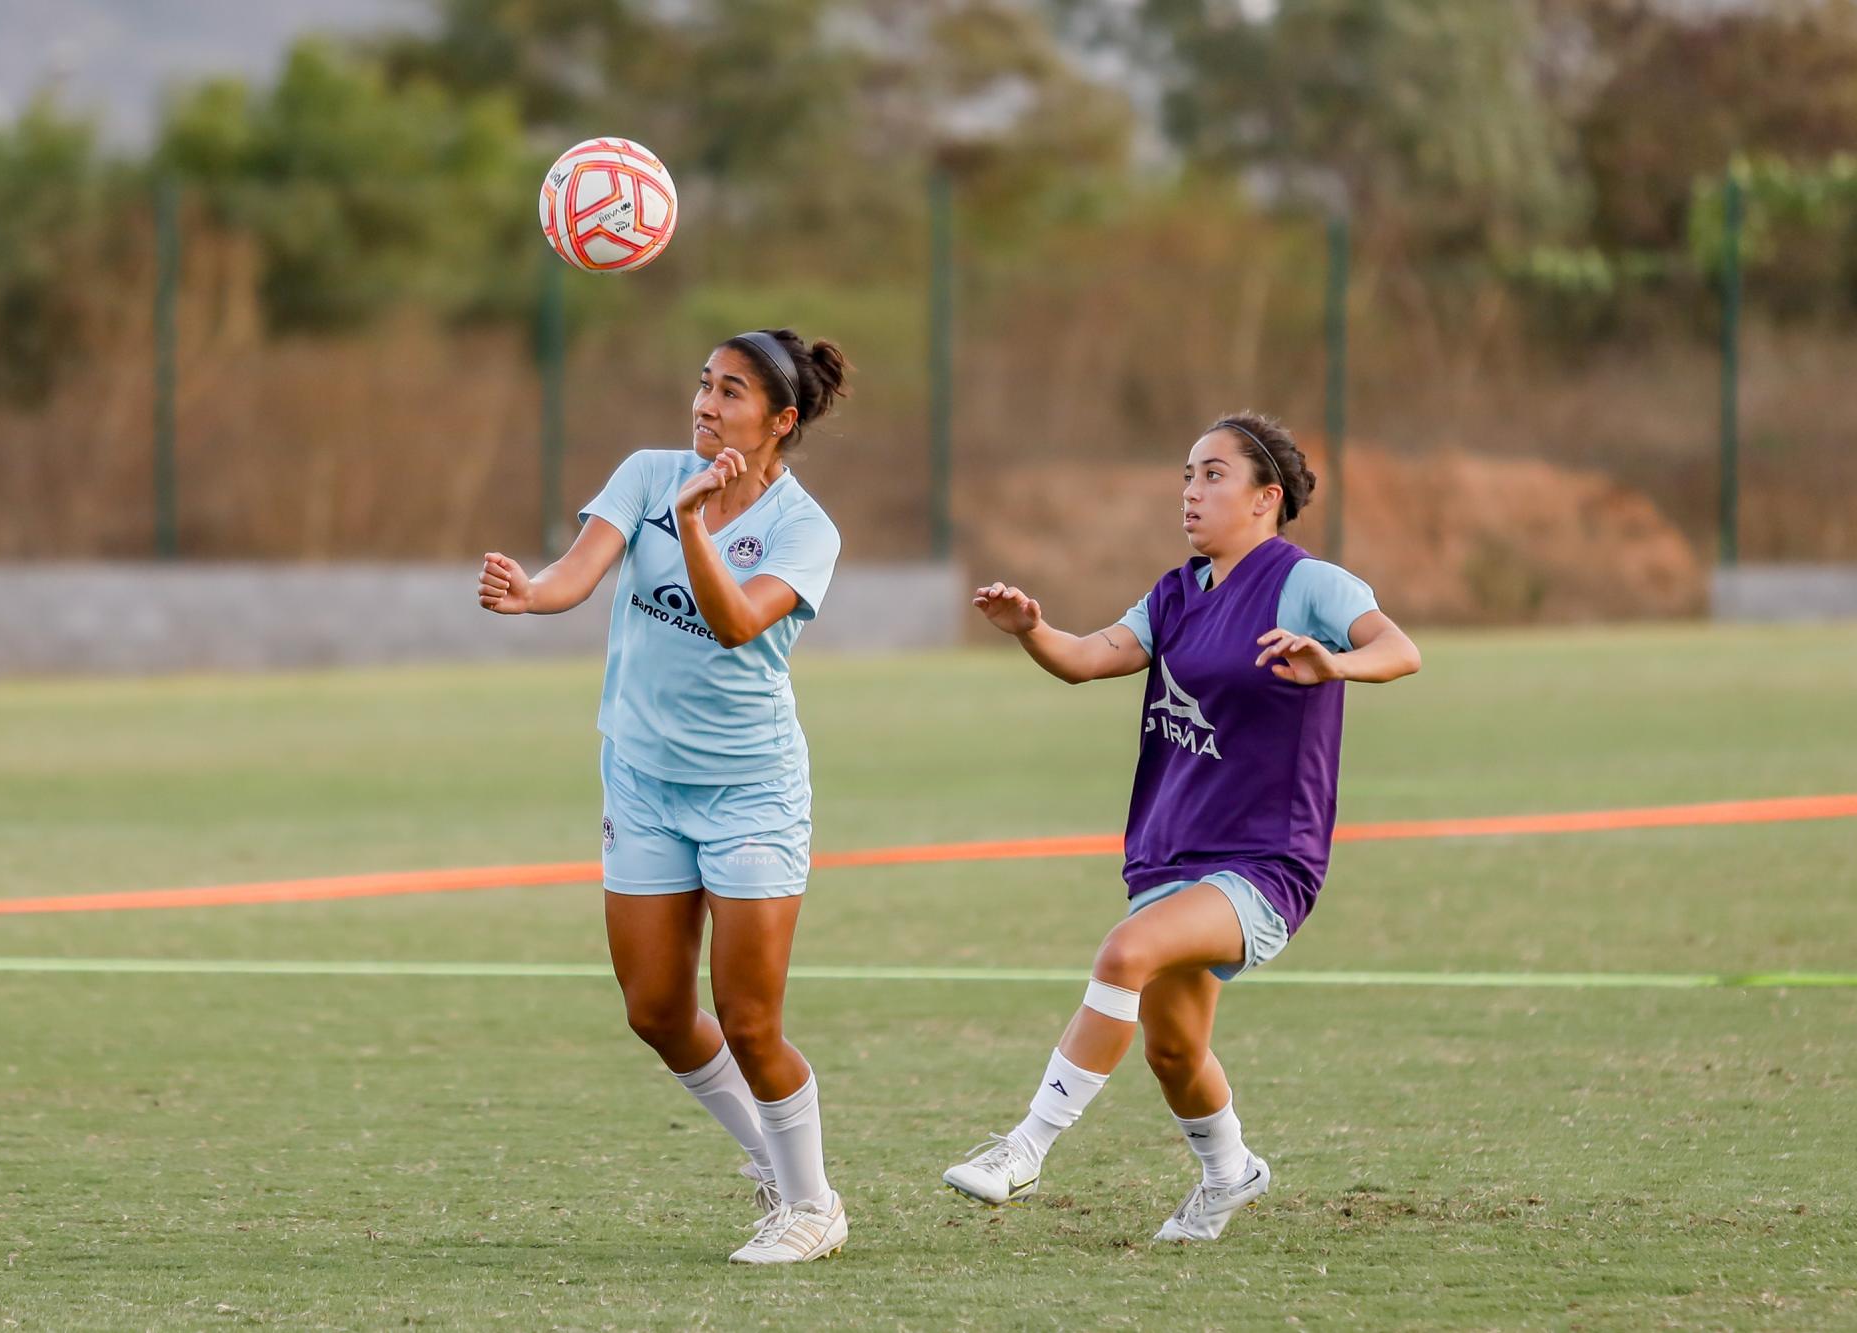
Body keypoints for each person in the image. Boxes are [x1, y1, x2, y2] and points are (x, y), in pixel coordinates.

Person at [941, 412, 1421, 1242]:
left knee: (1123, 954)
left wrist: (1334, 661)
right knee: (1174, 1050)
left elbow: (1400, 648)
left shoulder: (1309, 583)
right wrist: (1032, 633)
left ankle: (1024, 1148)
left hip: (1266, 859)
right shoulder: (1176, 592)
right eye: (1187, 476)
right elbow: (1090, 656)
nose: (1191, 493)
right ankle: (1231, 1173)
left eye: (1212, 476)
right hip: (1169, 854)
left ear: (1266, 497)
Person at [478, 328, 850, 1263]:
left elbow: (733, 622)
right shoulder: (650, 472)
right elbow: (577, 573)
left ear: (780, 420)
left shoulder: (807, 529)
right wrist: (531, 593)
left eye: (730, 393)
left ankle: (813, 1207)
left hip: (751, 791)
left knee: (752, 1017)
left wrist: (692, 524)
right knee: (654, 1008)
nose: (705, 405)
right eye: (702, 385)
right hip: (641, 780)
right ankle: (775, 1162)